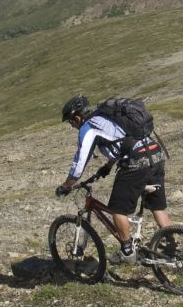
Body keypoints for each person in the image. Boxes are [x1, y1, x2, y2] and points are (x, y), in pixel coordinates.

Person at [55, 95, 171, 261]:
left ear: (77, 117)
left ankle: (127, 252)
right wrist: (108, 167)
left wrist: (66, 186)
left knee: (117, 210)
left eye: (71, 122)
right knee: (157, 207)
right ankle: (173, 246)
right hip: (155, 153)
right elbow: (123, 141)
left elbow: (80, 163)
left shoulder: (88, 127)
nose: (72, 126)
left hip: (137, 161)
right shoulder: (106, 117)